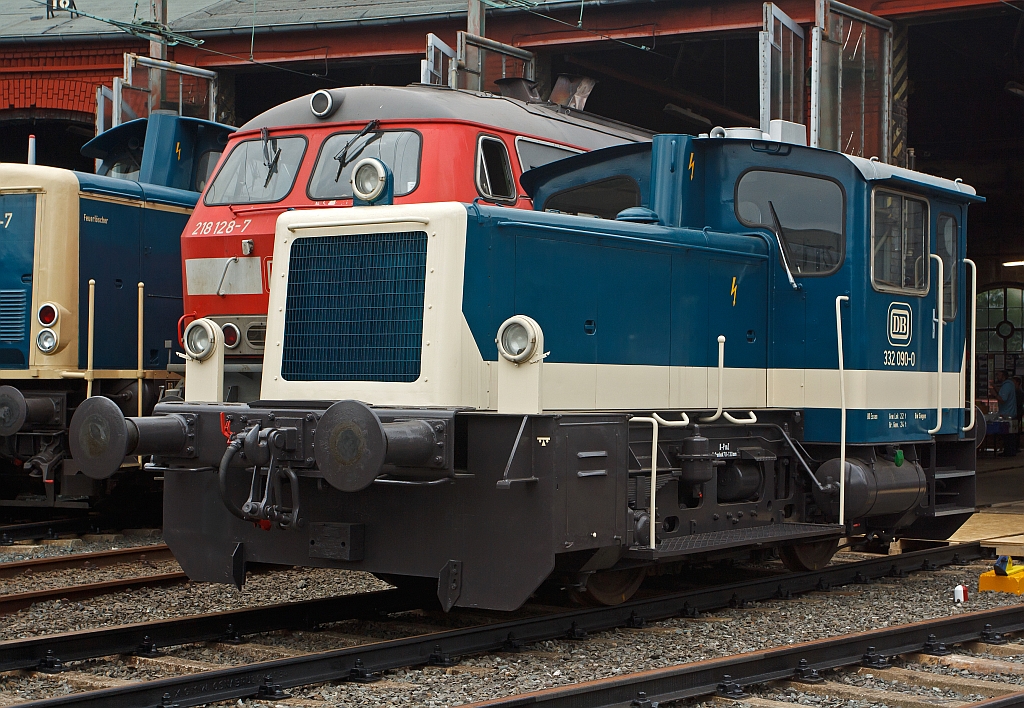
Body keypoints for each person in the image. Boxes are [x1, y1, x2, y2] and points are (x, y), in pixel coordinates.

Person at [991, 370, 1018, 456]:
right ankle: (1010, 451)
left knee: (1007, 435)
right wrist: (995, 387)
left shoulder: (1006, 385)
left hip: (1006, 413)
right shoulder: (1010, 385)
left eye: (999, 375)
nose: (997, 377)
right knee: (1010, 435)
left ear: (1003, 376)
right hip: (1010, 412)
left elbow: (1003, 399)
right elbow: (1003, 392)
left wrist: (994, 394)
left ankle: (1008, 452)